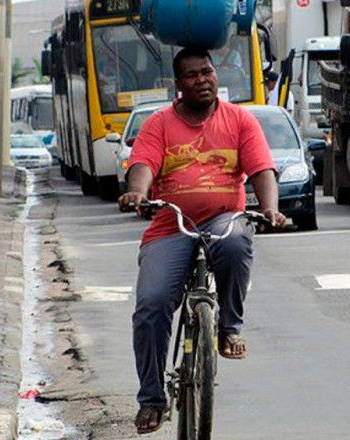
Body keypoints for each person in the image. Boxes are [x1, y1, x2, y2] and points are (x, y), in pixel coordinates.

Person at [117, 46, 287, 435]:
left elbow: (261, 169)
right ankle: (152, 399)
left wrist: (270, 209)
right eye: (192, 75)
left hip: (222, 217)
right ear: (178, 84)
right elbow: (142, 165)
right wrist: (137, 193)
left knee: (236, 240)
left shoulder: (240, 120)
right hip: (171, 225)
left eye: (207, 72)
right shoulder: (159, 124)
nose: (202, 80)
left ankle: (228, 327)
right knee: (151, 305)